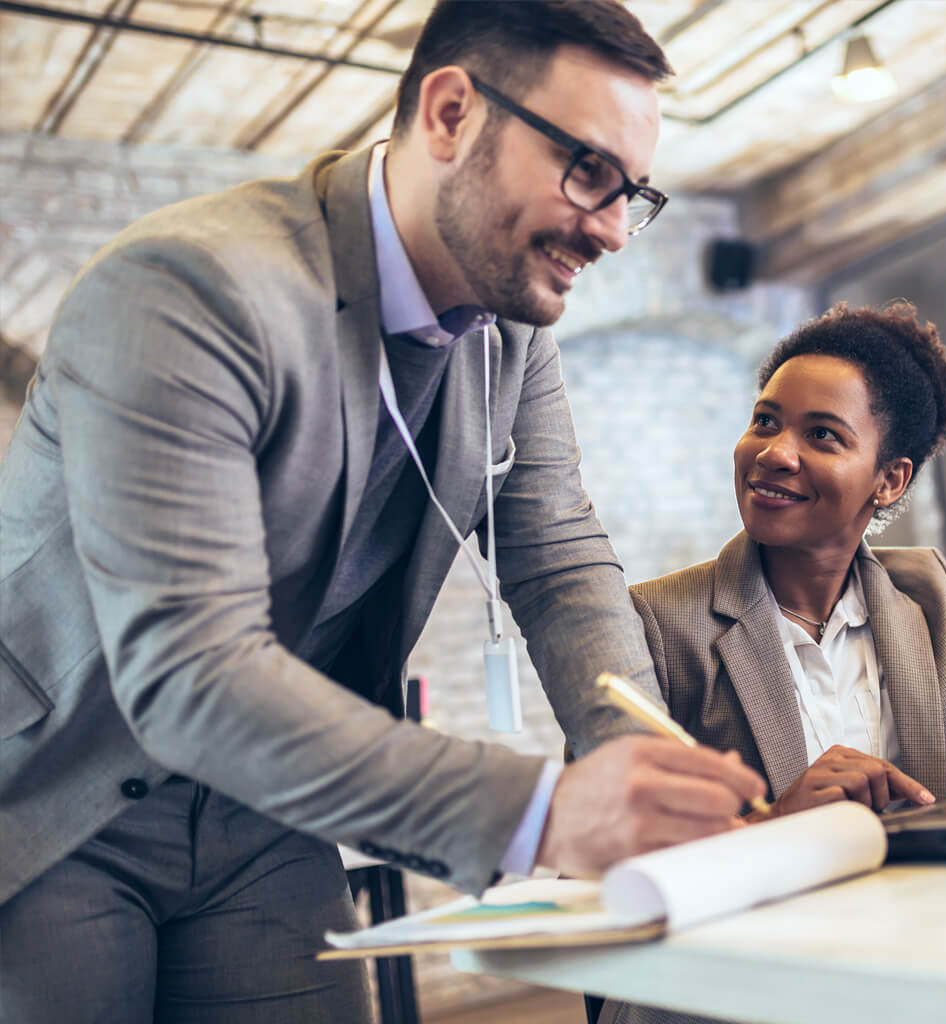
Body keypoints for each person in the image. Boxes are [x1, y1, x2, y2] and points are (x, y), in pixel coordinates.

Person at [0, 3, 764, 1022]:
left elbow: (555, 552)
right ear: (450, 112)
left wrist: (636, 755)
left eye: (634, 193)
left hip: (267, 805)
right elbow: (189, 672)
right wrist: (540, 814)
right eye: (588, 172)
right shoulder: (187, 290)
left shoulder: (509, 325)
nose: (614, 231)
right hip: (54, 797)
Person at [588, 302, 946, 1024]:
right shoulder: (651, 622)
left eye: (822, 435)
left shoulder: (925, 594)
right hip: (731, 997)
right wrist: (772, 833)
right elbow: (596, 869)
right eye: (765, 420)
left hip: (916, 977)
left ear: (889, 480)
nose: (773, 451)